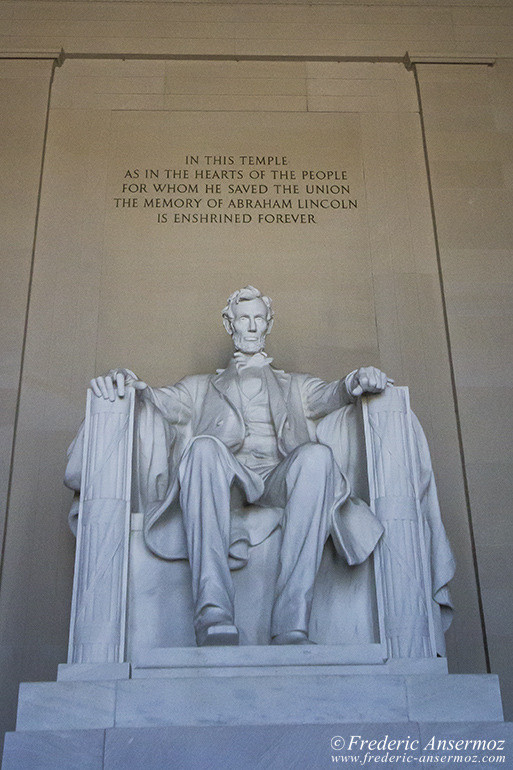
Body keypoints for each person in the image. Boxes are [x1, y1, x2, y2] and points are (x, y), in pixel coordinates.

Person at [83, 286, 391, 647]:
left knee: (317, 457)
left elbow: (334, 393)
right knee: (202, 449)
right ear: (229, 324)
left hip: (279, 478)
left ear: (268, 324)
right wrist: (126, 381)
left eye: (258, 318)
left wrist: (357, 380)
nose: (251, 326)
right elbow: (153, 397)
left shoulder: (296, 386)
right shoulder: (200, 388)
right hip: (226, 478)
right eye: (243, 318)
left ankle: (292, 624)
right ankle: (212, 613)